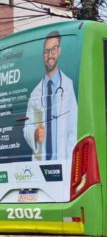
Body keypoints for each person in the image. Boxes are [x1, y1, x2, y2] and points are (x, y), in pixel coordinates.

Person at [24, 30, 78, 162]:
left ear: (59, 51)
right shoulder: (35, 93)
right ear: (43, 55)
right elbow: (27, 127)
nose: (50, 55)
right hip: (40, 164)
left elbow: (74, 129)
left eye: (53, 49)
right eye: (46, 51)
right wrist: (35, 134)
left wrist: (71, 163)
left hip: (63, 163)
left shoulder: (68, 86)